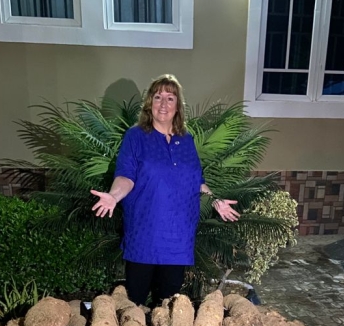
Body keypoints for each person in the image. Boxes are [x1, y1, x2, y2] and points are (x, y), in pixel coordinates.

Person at [91, 74, 239, 306]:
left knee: (168, 304)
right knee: (134, 301)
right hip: (144, 234)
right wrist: (113, 196)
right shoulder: (136, 136)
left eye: (170, 98)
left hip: (178, 237)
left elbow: (197, 180)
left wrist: (215, 200)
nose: (163, 104)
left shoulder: (186, 140)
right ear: (149, 103)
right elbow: (126, 176)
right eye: (158, 97)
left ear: (178, 106)